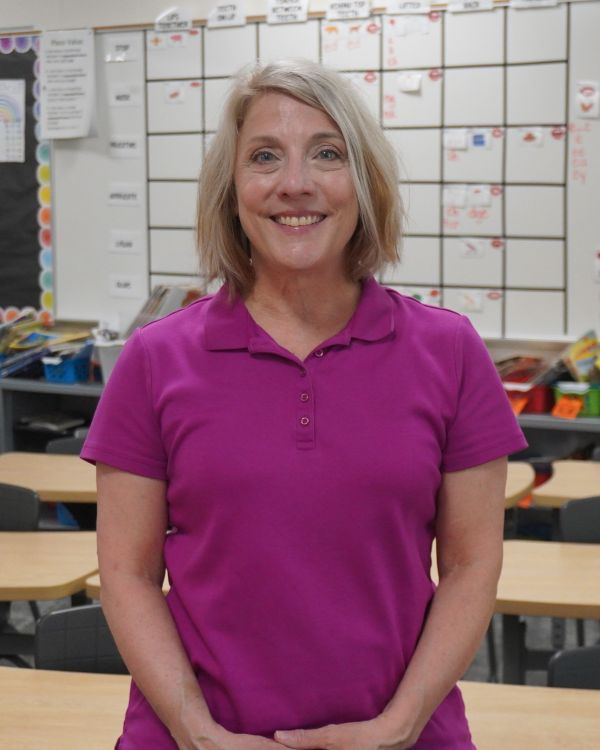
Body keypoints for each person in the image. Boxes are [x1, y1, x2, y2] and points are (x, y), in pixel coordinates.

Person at [82, 58, 527, 750]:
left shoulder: (450, 350)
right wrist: (194, 729)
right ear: (230, 190)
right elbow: (127, 573)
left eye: (327, 153)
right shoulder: (154, 359)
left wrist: (399, 725)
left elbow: (472, 565)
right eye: (265, 156)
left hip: (405, 735)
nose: (295, 183)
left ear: (365, 183)